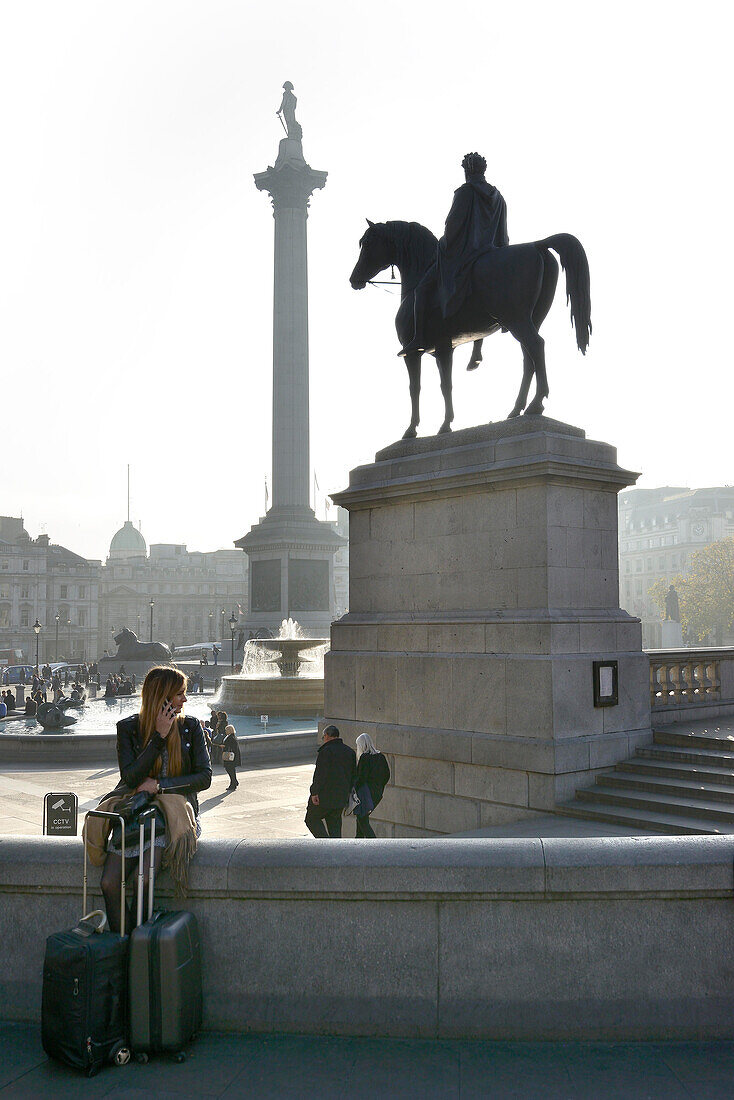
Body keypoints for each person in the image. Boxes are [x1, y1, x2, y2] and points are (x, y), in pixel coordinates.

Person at [89, 666, 212, 934]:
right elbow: (131, 778)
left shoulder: (191, 727)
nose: (185, 700)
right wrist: (159, 736)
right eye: (180, 694)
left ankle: (134, 947)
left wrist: (159, 785)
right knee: (109, 883)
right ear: (162, 696)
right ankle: (126, 945)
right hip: (135, 813)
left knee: (143, 881)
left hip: (173, 815)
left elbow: (205, 778)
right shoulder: (128, 728)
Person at [401, 151, 509, 357]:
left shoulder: (465, 192)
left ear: (467, 170)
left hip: (464, 254)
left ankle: (418, 338)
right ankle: (479, 348)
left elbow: (452, 227)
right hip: (491, 252)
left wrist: (441, 246)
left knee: (422, 290)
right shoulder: (499, 197)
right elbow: (503, 233)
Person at [305, 724, 356, 839]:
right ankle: (335, 850)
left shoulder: (326, 751)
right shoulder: (349, 752)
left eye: (323, 737)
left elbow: (320, 774)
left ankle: (325, 844)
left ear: (327, 736)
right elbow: (353, 775)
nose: (323, 740)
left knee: (311, 819)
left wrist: (314, 792)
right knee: (335, 825)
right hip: (341, 797)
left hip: (325, 796)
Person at [353, 733, 391, 838]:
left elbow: (361, 778)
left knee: (362, 820)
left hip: (366, 794)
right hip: (377, 793)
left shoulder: (364, 757)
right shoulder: (380, 756)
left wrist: (354, 788)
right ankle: (358, 841)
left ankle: (374, 844)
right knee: (361, 818)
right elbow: (387, 775)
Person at [222, 724, 241, 792]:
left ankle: (233, 784)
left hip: (230, 757)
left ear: (229, 730)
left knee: (230, 770)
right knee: (231, 770)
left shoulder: (231, 738)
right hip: (231, 757)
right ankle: (234, 782)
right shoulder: (231, 737)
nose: (225, 731)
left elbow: (232, 747)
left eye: (226, 730)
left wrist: (224, 747)